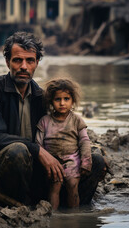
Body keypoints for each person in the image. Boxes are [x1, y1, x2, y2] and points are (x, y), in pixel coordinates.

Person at [0, 31, 106, 206]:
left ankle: (70, 212)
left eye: (30, 61)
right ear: (7, 62)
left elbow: (60, 133)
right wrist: (37, 150)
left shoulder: (41, 98)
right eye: (18, 60)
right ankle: (19, 207)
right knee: (17, 151)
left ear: (36, 63)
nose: (24, 67)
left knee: (96, 161)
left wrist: (80, 153)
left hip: (35, 175)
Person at [35, 78, 92, 210]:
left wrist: (86, 161)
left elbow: (84, 141)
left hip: (72, 159)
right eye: (57, 99)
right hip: (52, 161)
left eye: (66, 99)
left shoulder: (76, 120)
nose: (62, 103)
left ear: (72, 101)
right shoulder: (45, 121)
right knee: (54, 186)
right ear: (51, 101)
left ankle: (73, 216)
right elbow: (38, 143)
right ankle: (53, 216)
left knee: (73, 185)